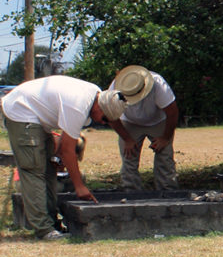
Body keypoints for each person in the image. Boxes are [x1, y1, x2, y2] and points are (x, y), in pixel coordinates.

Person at [1, 75, 128, 239]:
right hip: (22, 111)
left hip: (37, 118)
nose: (103, 123)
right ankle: (44, 229)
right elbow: (69, 150)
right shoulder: (79, 105)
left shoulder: (94, 94)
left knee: (48, 170)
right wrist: (79, 186)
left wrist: (57, 159)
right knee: (34, 170)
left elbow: (63, 145)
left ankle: (53, 224)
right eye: (105, 119)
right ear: (100, 108)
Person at [108, 65, 180, 190]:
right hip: (130, 122)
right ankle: (131, 194)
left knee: (164, 157)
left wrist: (165, 137)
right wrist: (127, 139)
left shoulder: (158, 84)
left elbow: (172, 112)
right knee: (128, 158)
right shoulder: (114, 89)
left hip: (158, 121)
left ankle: (168, 192)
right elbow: (111, 116)